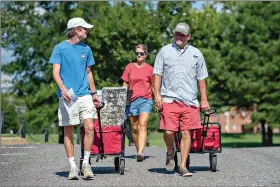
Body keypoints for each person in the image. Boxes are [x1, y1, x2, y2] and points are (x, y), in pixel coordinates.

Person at [153, 22, 210, 177]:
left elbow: (201, 79)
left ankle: (183, 166)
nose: (179, 36)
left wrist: (203, 99)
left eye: (182, 34)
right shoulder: (164, 51)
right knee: (169, 131)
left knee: (186, 133)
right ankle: (170, 151)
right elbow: (157, 74)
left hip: (190, 100)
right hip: (169, 99)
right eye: (177, 33)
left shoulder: (197, 54)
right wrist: (157, 95)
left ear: (188, 37)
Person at [49, 17, 101, 180]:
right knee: (68, 130)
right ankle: (72, 167)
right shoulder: (59, 48)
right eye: (84, 28)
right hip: (68, 95)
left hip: (85, 94)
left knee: (90, 127)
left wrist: (94, 94)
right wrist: (62, 88)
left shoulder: (86, 49)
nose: (87, 31)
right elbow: (55, 72)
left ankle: (85, 164)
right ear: (76, 29)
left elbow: (88, 72)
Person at [121, 44, 154, 162]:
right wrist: (123, 96)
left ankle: (140, 152)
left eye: (141, 53)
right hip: (131, 100)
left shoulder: (150, 69)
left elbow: (154, 86)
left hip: (146, 99)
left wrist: (158, 99)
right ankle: (138, 149)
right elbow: (125, 83)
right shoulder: (129, 67)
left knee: (142, 124)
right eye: (137, 53)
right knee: (134, 128)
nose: (139, 55)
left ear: (146, 54)